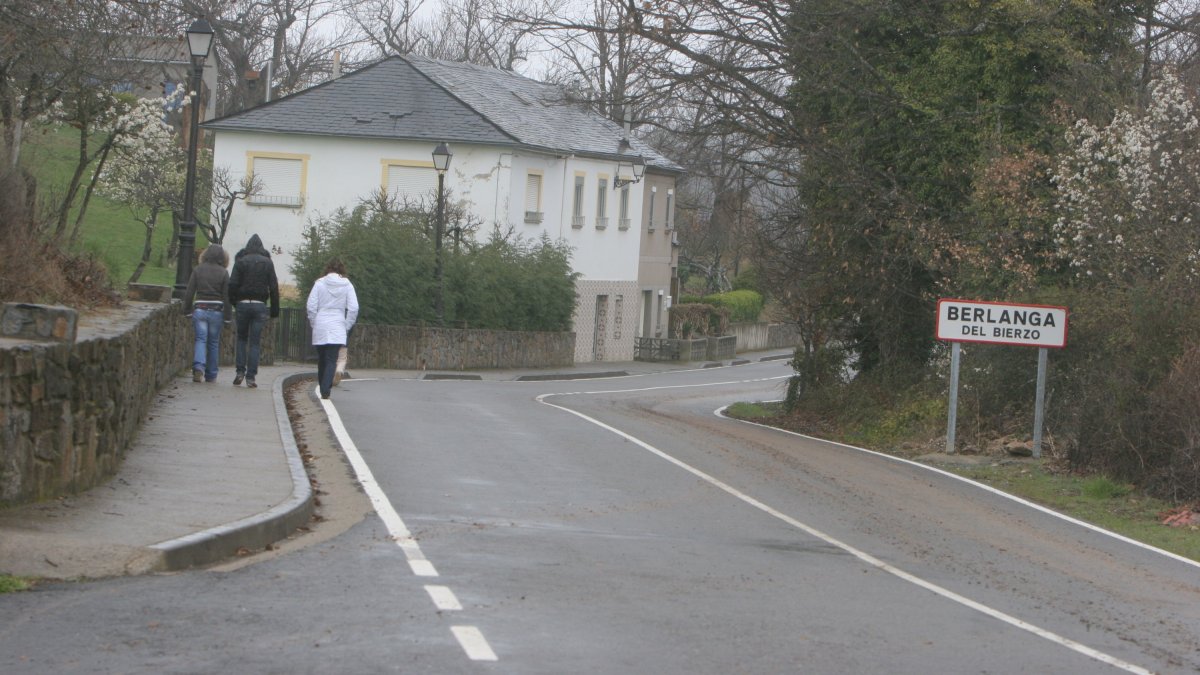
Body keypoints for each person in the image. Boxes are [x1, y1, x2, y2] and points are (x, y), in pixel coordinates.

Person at [229, 234, 280, 389]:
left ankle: (239, 371)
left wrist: (234, 302)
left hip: (242, 304)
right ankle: (251, 377)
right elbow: (273, 288)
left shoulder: (240, 262)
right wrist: (274, 311)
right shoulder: (268, 263)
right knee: (255, 343)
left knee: (242, 339)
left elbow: (232, 285)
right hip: (259, 305)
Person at [306, 257, 358, 400]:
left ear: (327, 269)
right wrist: (346, 326)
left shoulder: (319, 284)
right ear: (342, 269)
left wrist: (313, 323)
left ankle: (323, 384)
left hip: (321, 323)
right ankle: (325, 388)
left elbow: (311, 306)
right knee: (331, 359)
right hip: (337, 324)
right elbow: (354, 308)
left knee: (322, 358)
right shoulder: (347, 285)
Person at [182, 245, 232, 383]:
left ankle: (198, 367)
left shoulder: (198, 270)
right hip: (217, 310)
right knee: (213, 343)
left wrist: (186, 310)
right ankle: (211, 374)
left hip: (200, 309)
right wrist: (228, 318)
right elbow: (227, 297)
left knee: (200, 339)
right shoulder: (223, 272)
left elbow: (189, 292)